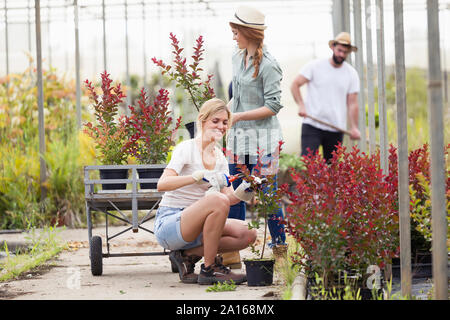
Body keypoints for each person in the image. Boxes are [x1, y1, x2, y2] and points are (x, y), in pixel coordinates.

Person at [155, 98, 257, 285]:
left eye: (225, 122)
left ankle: (186, 256)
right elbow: (162, 184)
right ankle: (209, 269)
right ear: (202, 121)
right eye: (215, 121)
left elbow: (227, 199)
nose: (221, 126)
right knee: (216, 200)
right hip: (171, 224)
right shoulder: (187, 148)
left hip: (200, 226)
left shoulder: (220, 158)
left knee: (248, 233)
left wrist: (246, 191)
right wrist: (195, 177)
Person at [225, 5, 286, 268]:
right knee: (236, 193)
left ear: (249, 32)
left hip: (264, 142)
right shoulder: (237, 58)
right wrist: (221, 112)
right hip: (238, 141)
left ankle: (280, 249)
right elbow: (236, 98)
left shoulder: (269, 65)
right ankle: (233, 252)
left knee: (268, 194)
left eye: (236, 31)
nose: (234, 36)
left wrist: (238, 116)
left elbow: (272, 106)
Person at [290, 32, 361, 163]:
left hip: (336, 128)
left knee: (332, 170)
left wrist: (354, 127)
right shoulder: (315, 66)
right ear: (332, 47)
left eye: (345, 52)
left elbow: (352, 103)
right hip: (312, 124)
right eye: (339, 50)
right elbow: (295, 84)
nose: (341, 55)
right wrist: (301, 104)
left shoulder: (351, 74)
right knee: (307, 164)